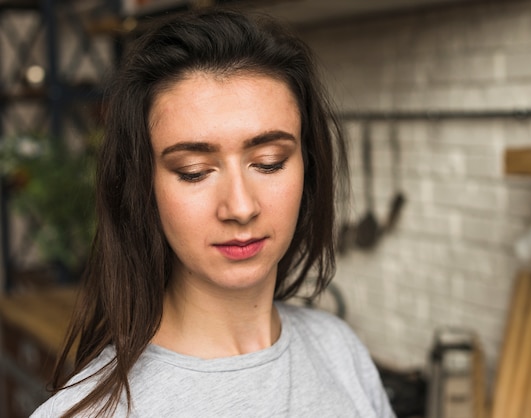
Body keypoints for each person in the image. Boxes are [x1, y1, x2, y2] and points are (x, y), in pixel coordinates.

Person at [31, 6, 394, 418]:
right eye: (194, 172)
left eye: (270, 162)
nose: (240, 207)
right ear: (142, 187)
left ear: (308, 168)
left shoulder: (339, 350)